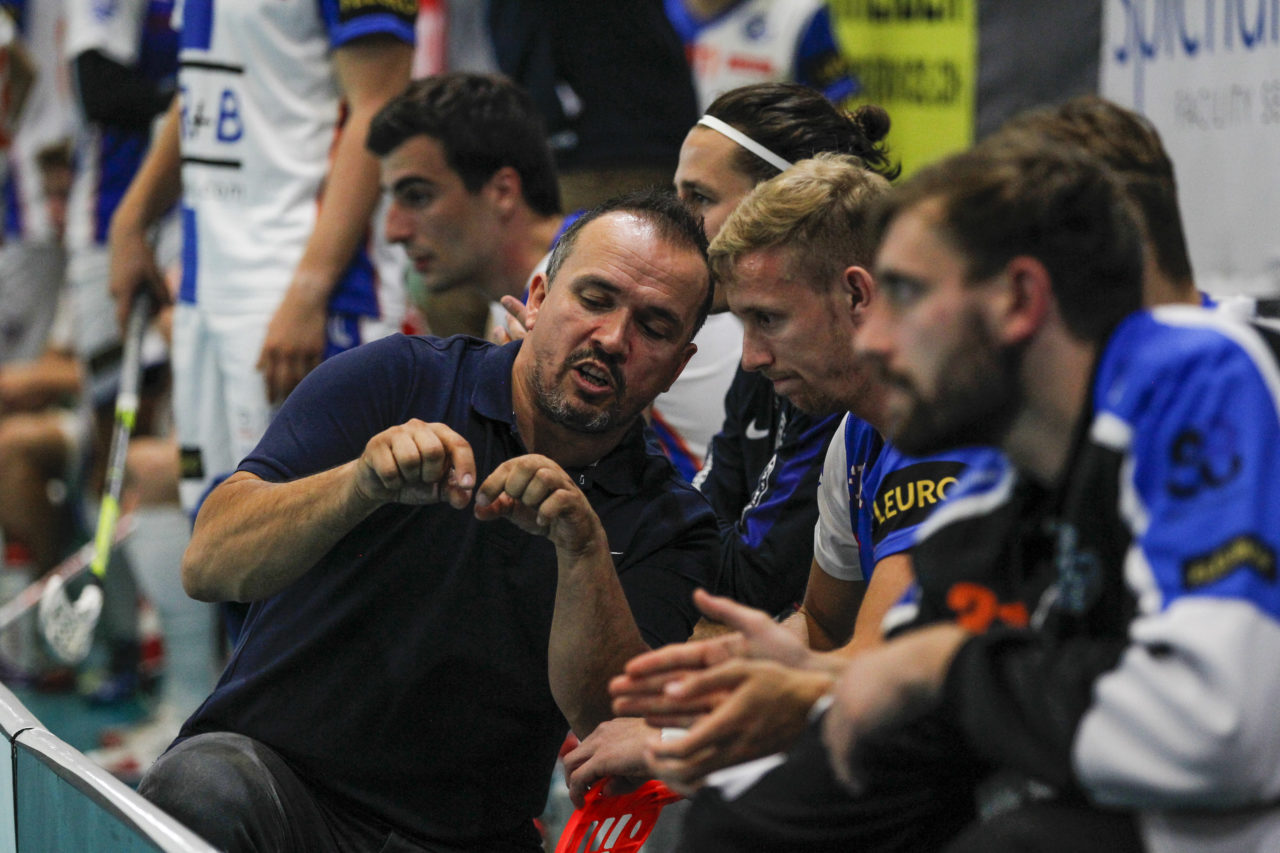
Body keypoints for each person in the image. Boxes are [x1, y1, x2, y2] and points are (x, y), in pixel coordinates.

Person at [136, 189, 721, 853]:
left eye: (654, 326)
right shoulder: (397, 379)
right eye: (595, 298)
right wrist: (357, 485)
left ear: (678, 365)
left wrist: (583, 551)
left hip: (468, 840)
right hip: (281, 790)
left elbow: (614, 726)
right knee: (201, 788)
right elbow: (210, 562)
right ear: (536, 297)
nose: (614, 339)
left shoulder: (671, 521)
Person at [817, 133, 1280, 849]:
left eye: (905, 294)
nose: (875, 340)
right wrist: (809, 689)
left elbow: (1215, 727)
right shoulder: (1014, 462)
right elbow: (902, 663)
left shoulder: (1204, 370)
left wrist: (947, 667)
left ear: (1025, 297)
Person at [107, 0, 416, 522]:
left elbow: (379, 105)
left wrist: (309, 292)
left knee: (312, 550)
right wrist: (132, 217)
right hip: (207, 290)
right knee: (217, 534)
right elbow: (202, 87)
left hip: (296, 288)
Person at [678, 82, 899, 609]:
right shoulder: (849, 423)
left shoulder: (845, 393)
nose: (676, 225)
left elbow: (750, 584)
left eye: (699, 199)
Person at [368, 73, 567, 338]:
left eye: (417, 197)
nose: (394, 232)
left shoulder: (583, 300)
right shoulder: (524, 301)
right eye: (391, 201)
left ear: (502, 192)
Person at [665, 0, 860, 111]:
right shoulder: (648, 12)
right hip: (657, 162)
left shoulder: (800, 13)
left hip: (770, 172)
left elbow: (833, 111)